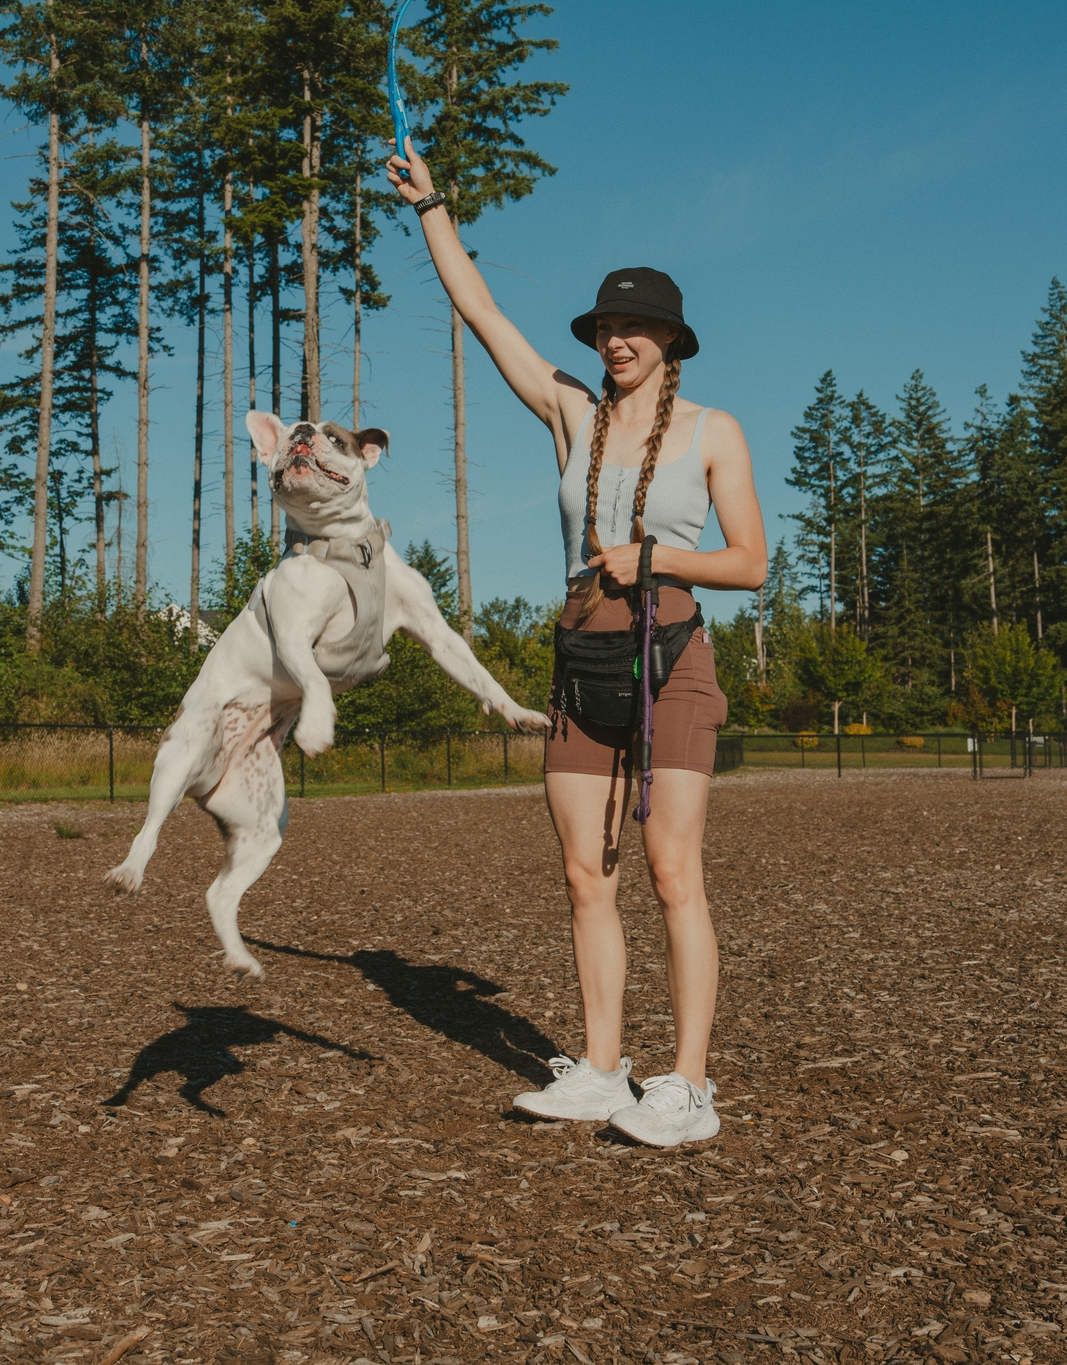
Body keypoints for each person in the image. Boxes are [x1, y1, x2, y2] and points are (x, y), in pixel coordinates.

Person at [386, 142, 768, 1147]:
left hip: (669, 661)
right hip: (578, 660)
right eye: (605, 326)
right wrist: (431, 208)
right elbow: (484, 316)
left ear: (670, 337)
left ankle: (685, 1087)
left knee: (670, 870)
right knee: (582, 875)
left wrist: (652, 559)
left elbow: (751, 562)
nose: (615, 340)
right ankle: (602, 1071)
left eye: (633, 326)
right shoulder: (572, 416)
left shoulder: (712, 431)